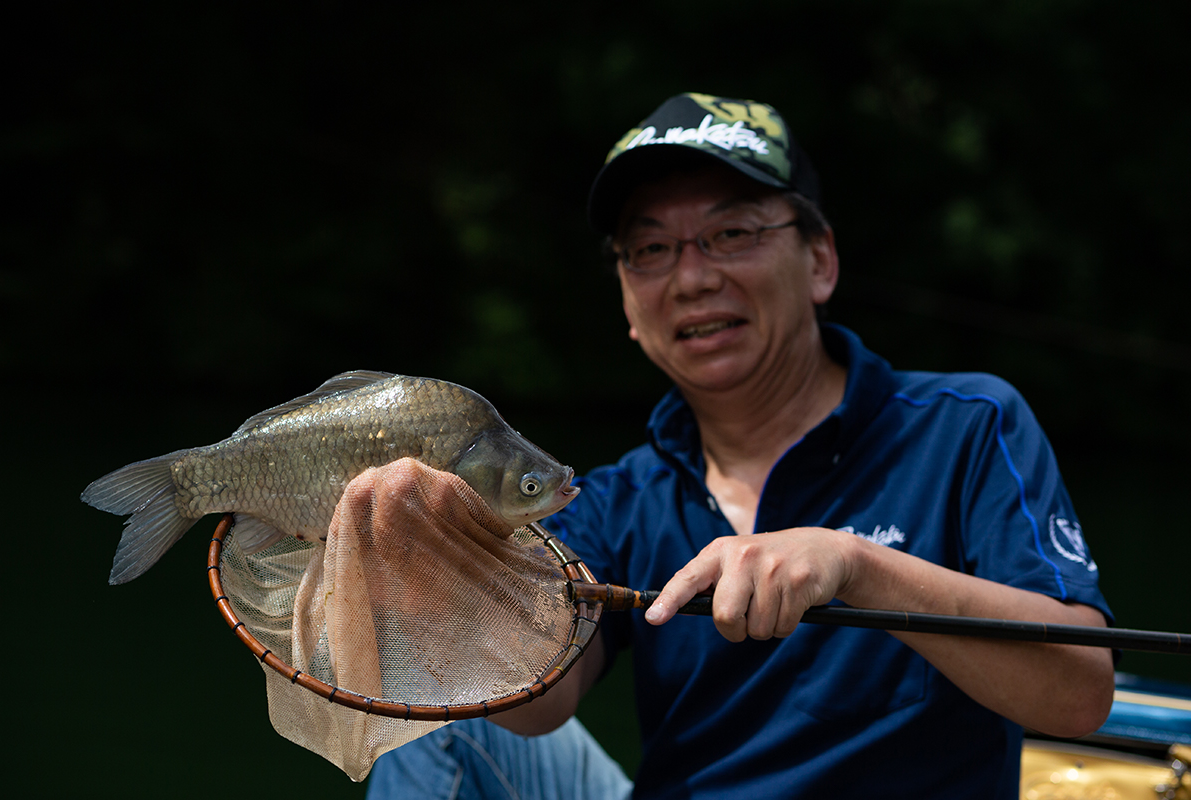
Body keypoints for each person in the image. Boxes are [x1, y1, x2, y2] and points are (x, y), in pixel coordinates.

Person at [364, 93, 1115, 799]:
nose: (692, 277)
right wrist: (432, 583)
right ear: (628, 303)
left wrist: (855, 564)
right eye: (650, 249)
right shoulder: (620, 497)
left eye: (732, 234)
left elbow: (1080, 693)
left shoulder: (966, 424)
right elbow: (536, 704)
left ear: (820, 260)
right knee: (429, 721)